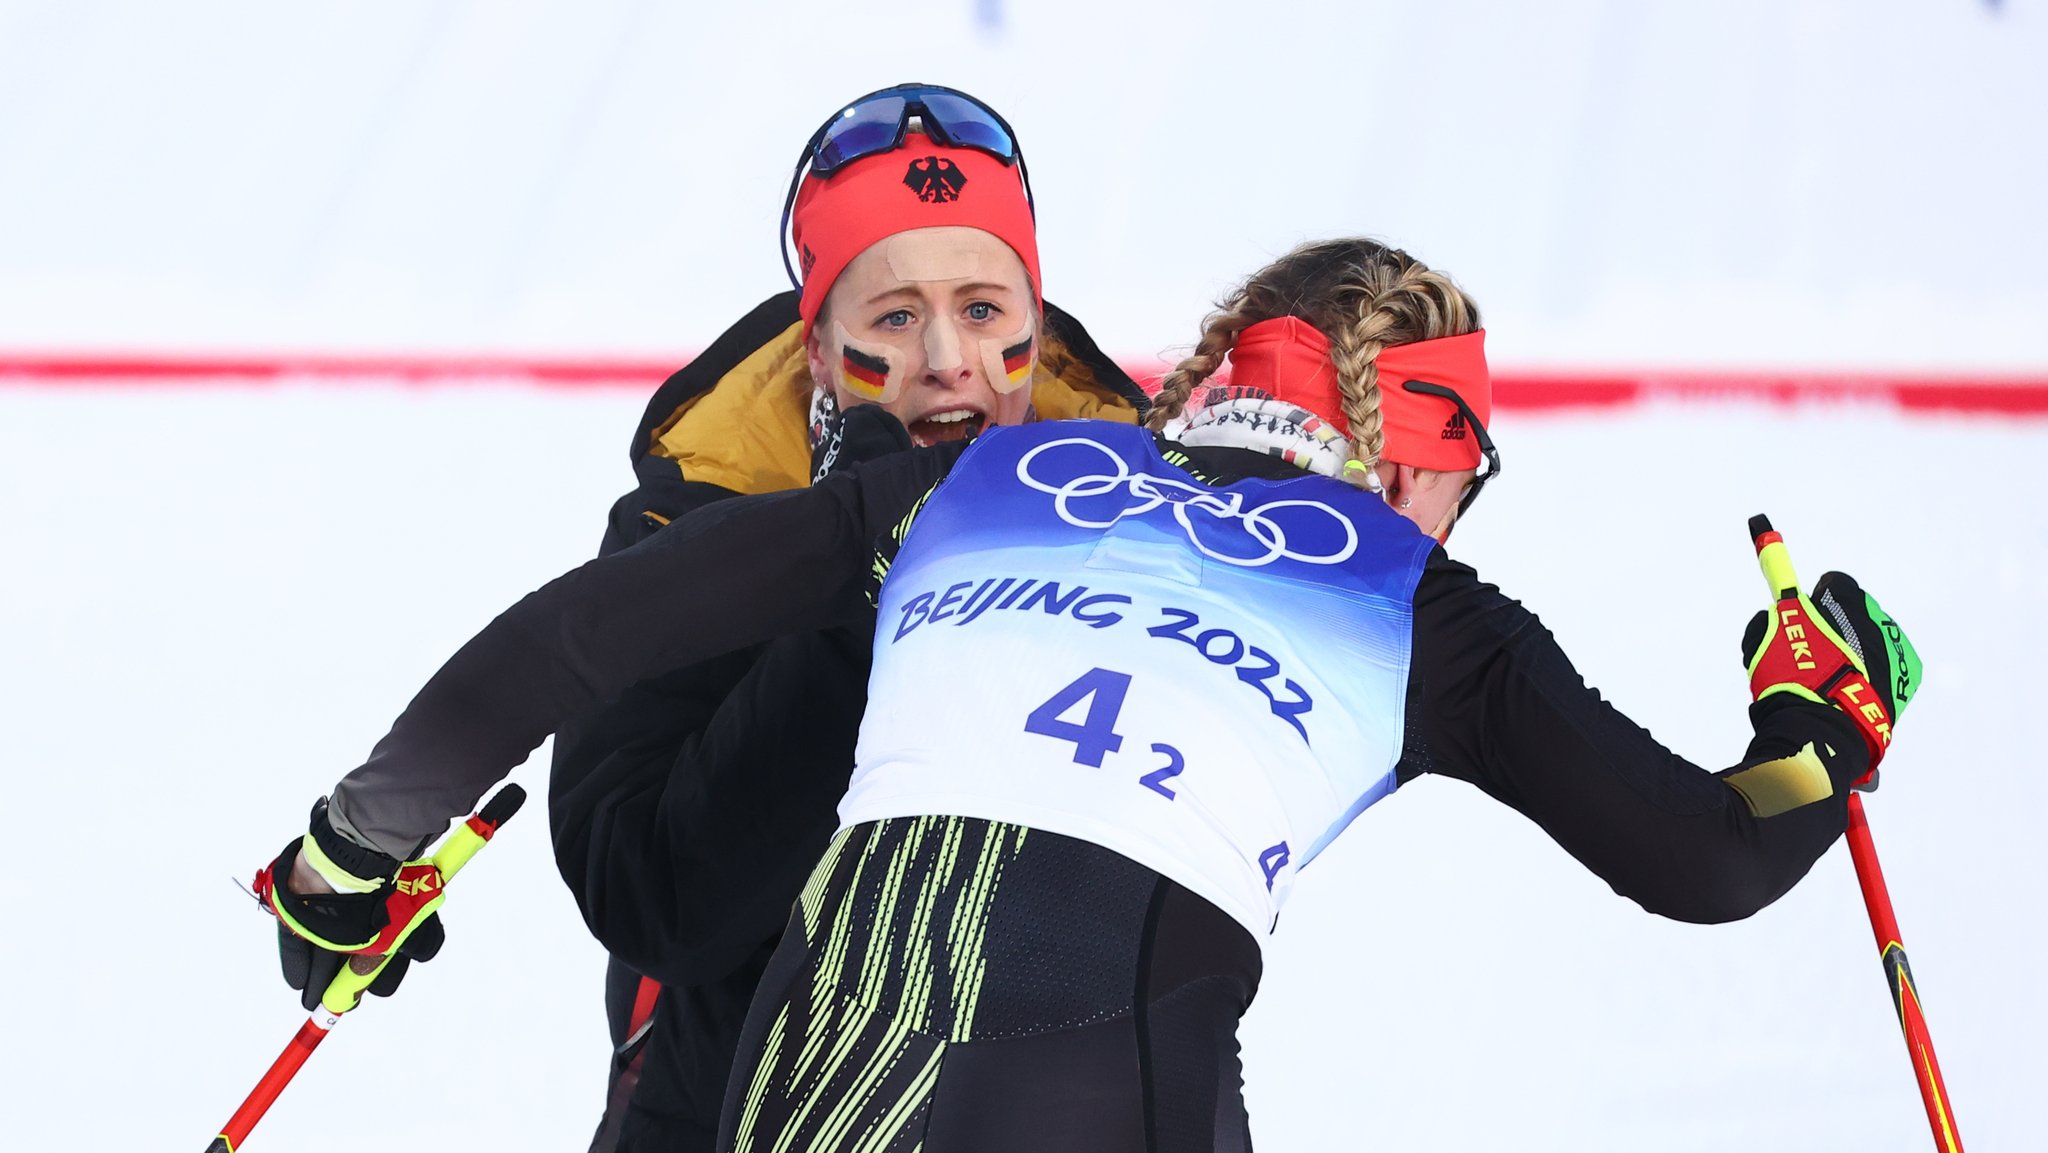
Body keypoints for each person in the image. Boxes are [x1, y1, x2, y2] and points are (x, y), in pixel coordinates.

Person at [255, 237, 1920, 1151]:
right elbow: (1712, 854)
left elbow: (569, 642)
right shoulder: (1422, 601)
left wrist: (358, 845)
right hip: (1113, 1081)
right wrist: (1817, 731)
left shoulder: (983, 475)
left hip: (811, 1065)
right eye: (1456, 474)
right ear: (1415, 457)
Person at [255, 83, 1148, 1152]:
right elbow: (656, 900)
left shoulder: (1149, 517)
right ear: (818, 349)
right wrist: (853, 614)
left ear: (1034, 330)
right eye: (895, 317)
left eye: (984, 309)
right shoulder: (707, 509)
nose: (947, 359)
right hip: (729, 1105)